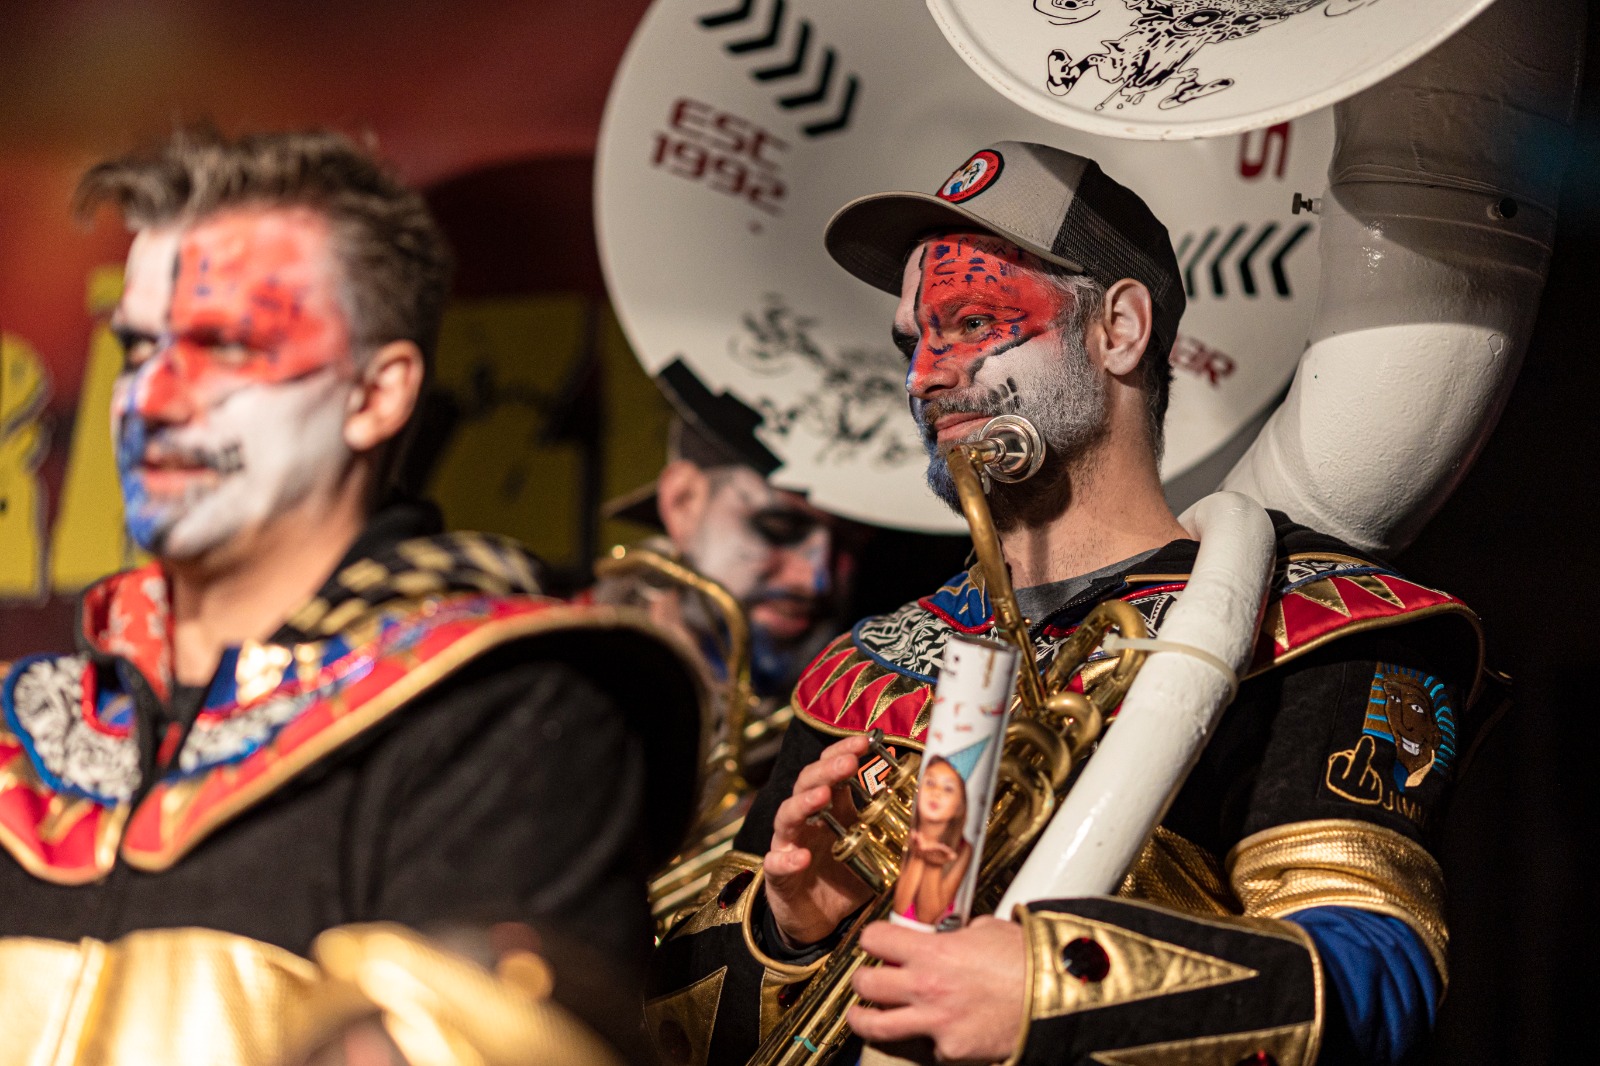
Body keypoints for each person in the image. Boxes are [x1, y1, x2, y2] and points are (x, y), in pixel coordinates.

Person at [647, 142, 1483, 1066]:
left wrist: (1056, 987)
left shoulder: (1315, 627)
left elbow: (1378, 982)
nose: (924, 376)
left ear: (1119, 330)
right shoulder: (861, 669)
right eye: (911, 341)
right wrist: (788, 926)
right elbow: (674, 1033)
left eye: (971, 323)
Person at [0, 128, 704, 1066]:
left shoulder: (506, 708)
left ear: (377, 395)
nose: (151, 399)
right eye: (136, 349)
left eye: (226, 346)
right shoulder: (23, 732)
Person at [892, 756, 972, 926]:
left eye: (948, 788)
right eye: (929, 783)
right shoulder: (914, 837)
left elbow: (926, 917)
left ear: (959, 806)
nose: (936, 792)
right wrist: (918, 856)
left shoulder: (963, 849)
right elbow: (901, 908)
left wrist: (933, 864)